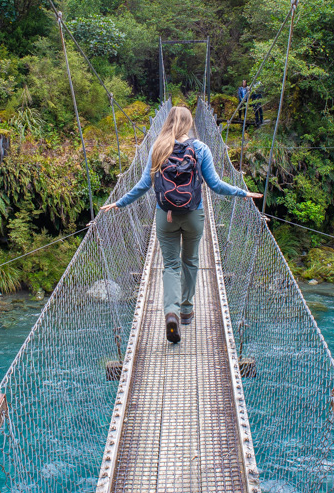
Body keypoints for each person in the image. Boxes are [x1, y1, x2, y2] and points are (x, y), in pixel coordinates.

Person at [99, 106, 262, 344]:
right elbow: (215, 185)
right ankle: (186, 310)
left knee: (171, 266)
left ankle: (171, 312)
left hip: (166, 216)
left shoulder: (158, 146)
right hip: (194, 214)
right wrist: (242, 193)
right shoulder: (200, 148)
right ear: (188, 123)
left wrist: (120, 203)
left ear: (168, 121)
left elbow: (144, 184)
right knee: (191, 261)